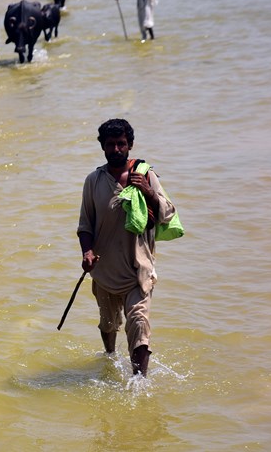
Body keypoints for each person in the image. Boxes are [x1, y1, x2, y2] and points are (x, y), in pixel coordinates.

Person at [78, 119, 176, 376]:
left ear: (130, 145)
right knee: (108, 325)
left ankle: (139, 383)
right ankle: (109, 359)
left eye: (121, 144)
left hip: (138, 270)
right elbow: (85, 225)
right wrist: (87, 253)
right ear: (102, 147)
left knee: (138, 323)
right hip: (105, 270)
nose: (116, 149)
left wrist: (149, 193)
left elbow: (167, 213)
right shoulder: (93, 181)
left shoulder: (145, 176)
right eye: (110, 144)